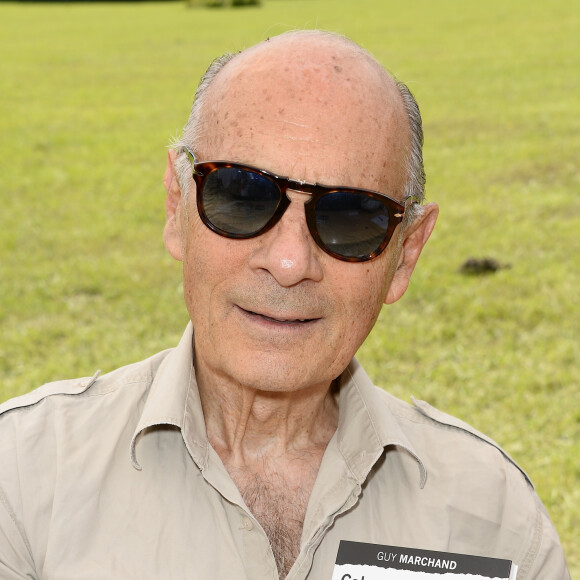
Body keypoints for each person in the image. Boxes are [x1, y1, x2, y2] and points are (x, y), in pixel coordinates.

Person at [0, 30, 570, 580]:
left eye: (350, 216)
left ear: (405, 254)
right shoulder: (23, 482)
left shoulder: (493, 519)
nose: (290, 262)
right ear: (176, 207)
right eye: (241, 195)